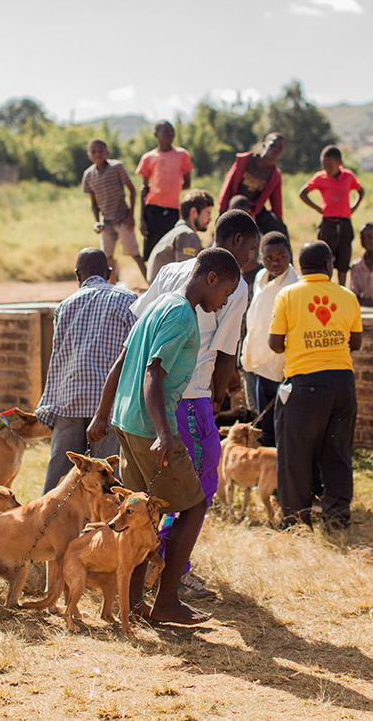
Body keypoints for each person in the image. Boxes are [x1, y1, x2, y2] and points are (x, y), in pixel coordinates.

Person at [87, 247, 242, 626]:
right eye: (226, 293)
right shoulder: (181, 316)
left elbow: (121, 363)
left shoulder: (158, 304)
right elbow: (153, 375)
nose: (224, 303)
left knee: (145, 514)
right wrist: (163, 433)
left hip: (126, 422)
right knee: (193, 506)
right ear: (211, 279)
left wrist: (103, 415)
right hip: (146, 428)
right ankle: (167, 601)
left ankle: (136, 602)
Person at [130, 210, 260, 600]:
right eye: (250, 248)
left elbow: (139, 322)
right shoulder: (235, 287)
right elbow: (224, 354)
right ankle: (171, 571)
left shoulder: (174, 269)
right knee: (196, 492)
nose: (251, 258)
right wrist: (218, 400)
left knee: (156, 487)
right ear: (235, 240)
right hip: (191, 397)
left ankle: (142, 576)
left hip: (149, 398)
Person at [268, 241, 363, 529]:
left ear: (300, 265)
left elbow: (275, 344)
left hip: (304, 383)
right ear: (328, 265)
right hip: (342, 384)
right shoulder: (347, 296)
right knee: (337, 452)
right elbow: (355, 343)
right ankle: (336, 519)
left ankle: (296, 521)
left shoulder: (287, 295)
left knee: (295, 454)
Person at [35, 248, 137, 493]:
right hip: (107, 404)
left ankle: (46, 527)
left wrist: (51, 405)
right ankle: (101, 529)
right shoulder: (128, 299)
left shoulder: (64, 306)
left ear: (77, 275)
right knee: (106, 483)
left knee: (61, 481)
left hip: (69, 400)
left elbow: (57, 358)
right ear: (109, 273)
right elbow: (136, 354)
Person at [241, 232, 298, 446]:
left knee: (279, 426)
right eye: (268, 258)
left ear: (290, 254)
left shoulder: (294, 286)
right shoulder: (259, 278)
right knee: (261, 425)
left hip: (278, 368)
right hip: (256, 362)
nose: (275, 262)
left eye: (281, 256)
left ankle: (278, 475)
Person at [82, 138, 147, 282]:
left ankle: (151, 284)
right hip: (106, 222)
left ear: (107, 152)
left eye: (101, 151)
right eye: (94, 152)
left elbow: (132, 190)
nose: (97, 154)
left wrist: (131, 216)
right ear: (89, 155)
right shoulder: (88, 175)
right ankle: (111, 287)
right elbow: (93, 203)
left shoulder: (116, 167)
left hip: (122, 218)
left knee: (134, 253)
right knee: (107, 257)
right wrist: (97, 221)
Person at [299, 145, 364, 285]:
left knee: (344, 256)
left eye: (330, 166)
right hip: (328, 223)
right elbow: (302, 193)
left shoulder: (348, 176)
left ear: (340, 163)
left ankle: (341, 287)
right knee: (324, 255)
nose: (327, 169)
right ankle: (325, 285)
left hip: (345, 222)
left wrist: (354, 207)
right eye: (324, 166)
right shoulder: (320, 178)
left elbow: (360, 191)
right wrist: (317, 208)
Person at [136, 121, 193, 261]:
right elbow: (144, 191)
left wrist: (172, 189)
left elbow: (187, 183)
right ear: (156, 135)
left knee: (170, 247)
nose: (170, 134)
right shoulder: (148, 158)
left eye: (172, 131)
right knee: (152, 249)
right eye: (165, 131)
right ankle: (151, 280)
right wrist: (142, 219)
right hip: (152, 209)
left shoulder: (182, 155)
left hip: (173, 209)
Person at [217, 132, 288, 240]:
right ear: (264, 145)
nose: (275, 150)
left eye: (280, 148)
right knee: (227, 235)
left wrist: (278, 223)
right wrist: (222, 212)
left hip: (255, 209)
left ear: (282, 153)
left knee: (280, 229)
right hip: (235, 205)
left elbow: (276, 204)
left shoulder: (275, 175)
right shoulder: (245, 161)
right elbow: (228, 187)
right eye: (272, 145)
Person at [147, 189, 214, 281]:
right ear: (194, 212)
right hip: (167, 291)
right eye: (208, 213)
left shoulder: (179, 231)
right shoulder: (187, 234)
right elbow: (186, 274)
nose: (210, 219)